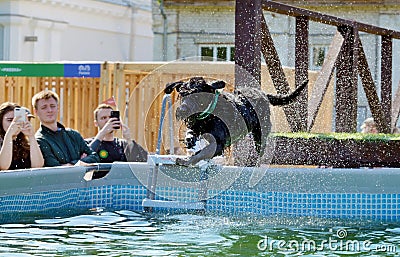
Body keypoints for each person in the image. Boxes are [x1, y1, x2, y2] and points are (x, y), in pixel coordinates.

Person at [32, 90, 100, 166]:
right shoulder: (39, 140)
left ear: (58, 108)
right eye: (44, 107)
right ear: (36, 112)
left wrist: (73, 164)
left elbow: (95, 157)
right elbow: (54, 169)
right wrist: (81, 162)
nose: (49, 110)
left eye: (52, 106)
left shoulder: (74, 134)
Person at [0, 102, 44, 170]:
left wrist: (31, 136)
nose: (13, 124)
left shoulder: (24, 143)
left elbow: (38, 166)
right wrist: (9, 135)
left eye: (17, 120)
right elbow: (3, 167)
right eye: (10, 120)